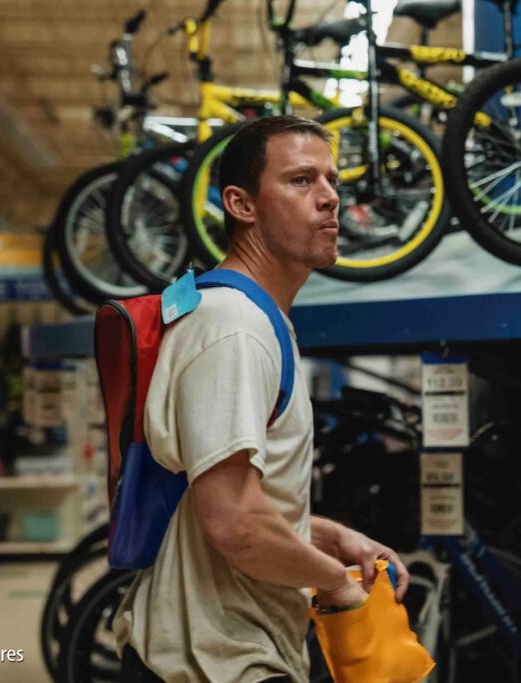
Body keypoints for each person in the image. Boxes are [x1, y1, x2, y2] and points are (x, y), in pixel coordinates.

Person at [113, 115, 410, 682]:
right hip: (214, 664)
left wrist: (332, 536)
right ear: (241, 205)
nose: (328, 200)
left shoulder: (254, 318)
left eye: (332, 182)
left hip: (234, 655)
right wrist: (336, 581)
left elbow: (236, 500)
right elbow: (234, 525)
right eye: (301, 181)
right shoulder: (235, 327)